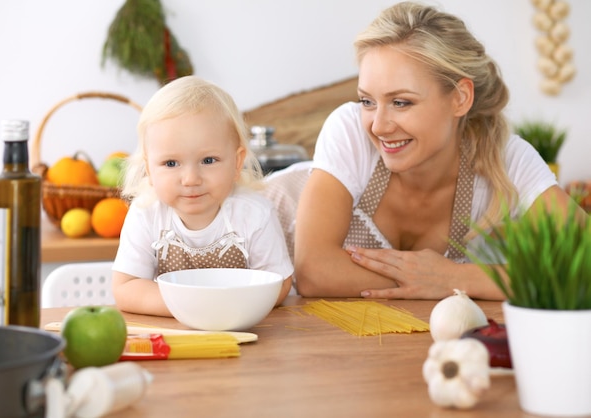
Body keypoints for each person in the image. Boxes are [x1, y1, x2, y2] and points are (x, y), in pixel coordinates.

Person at [269, 1, 585, 300]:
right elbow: (314, 271)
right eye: (367, 101)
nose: (378, 126)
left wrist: (457, 279)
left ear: (460, 98)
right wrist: (434, 281)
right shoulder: (350, 132)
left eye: (401, 102)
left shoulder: (505, 159)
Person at [112, 76, 293, 316]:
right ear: (149, 169)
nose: (191, 179)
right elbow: (126, 288)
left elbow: (279, 284)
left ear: (237, 162)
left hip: (240, 329)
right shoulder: (146, 213)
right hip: (177, 337)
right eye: (171, 163)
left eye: (208, 160)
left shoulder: (255, 214)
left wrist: (221, 310)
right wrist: (194, 309)